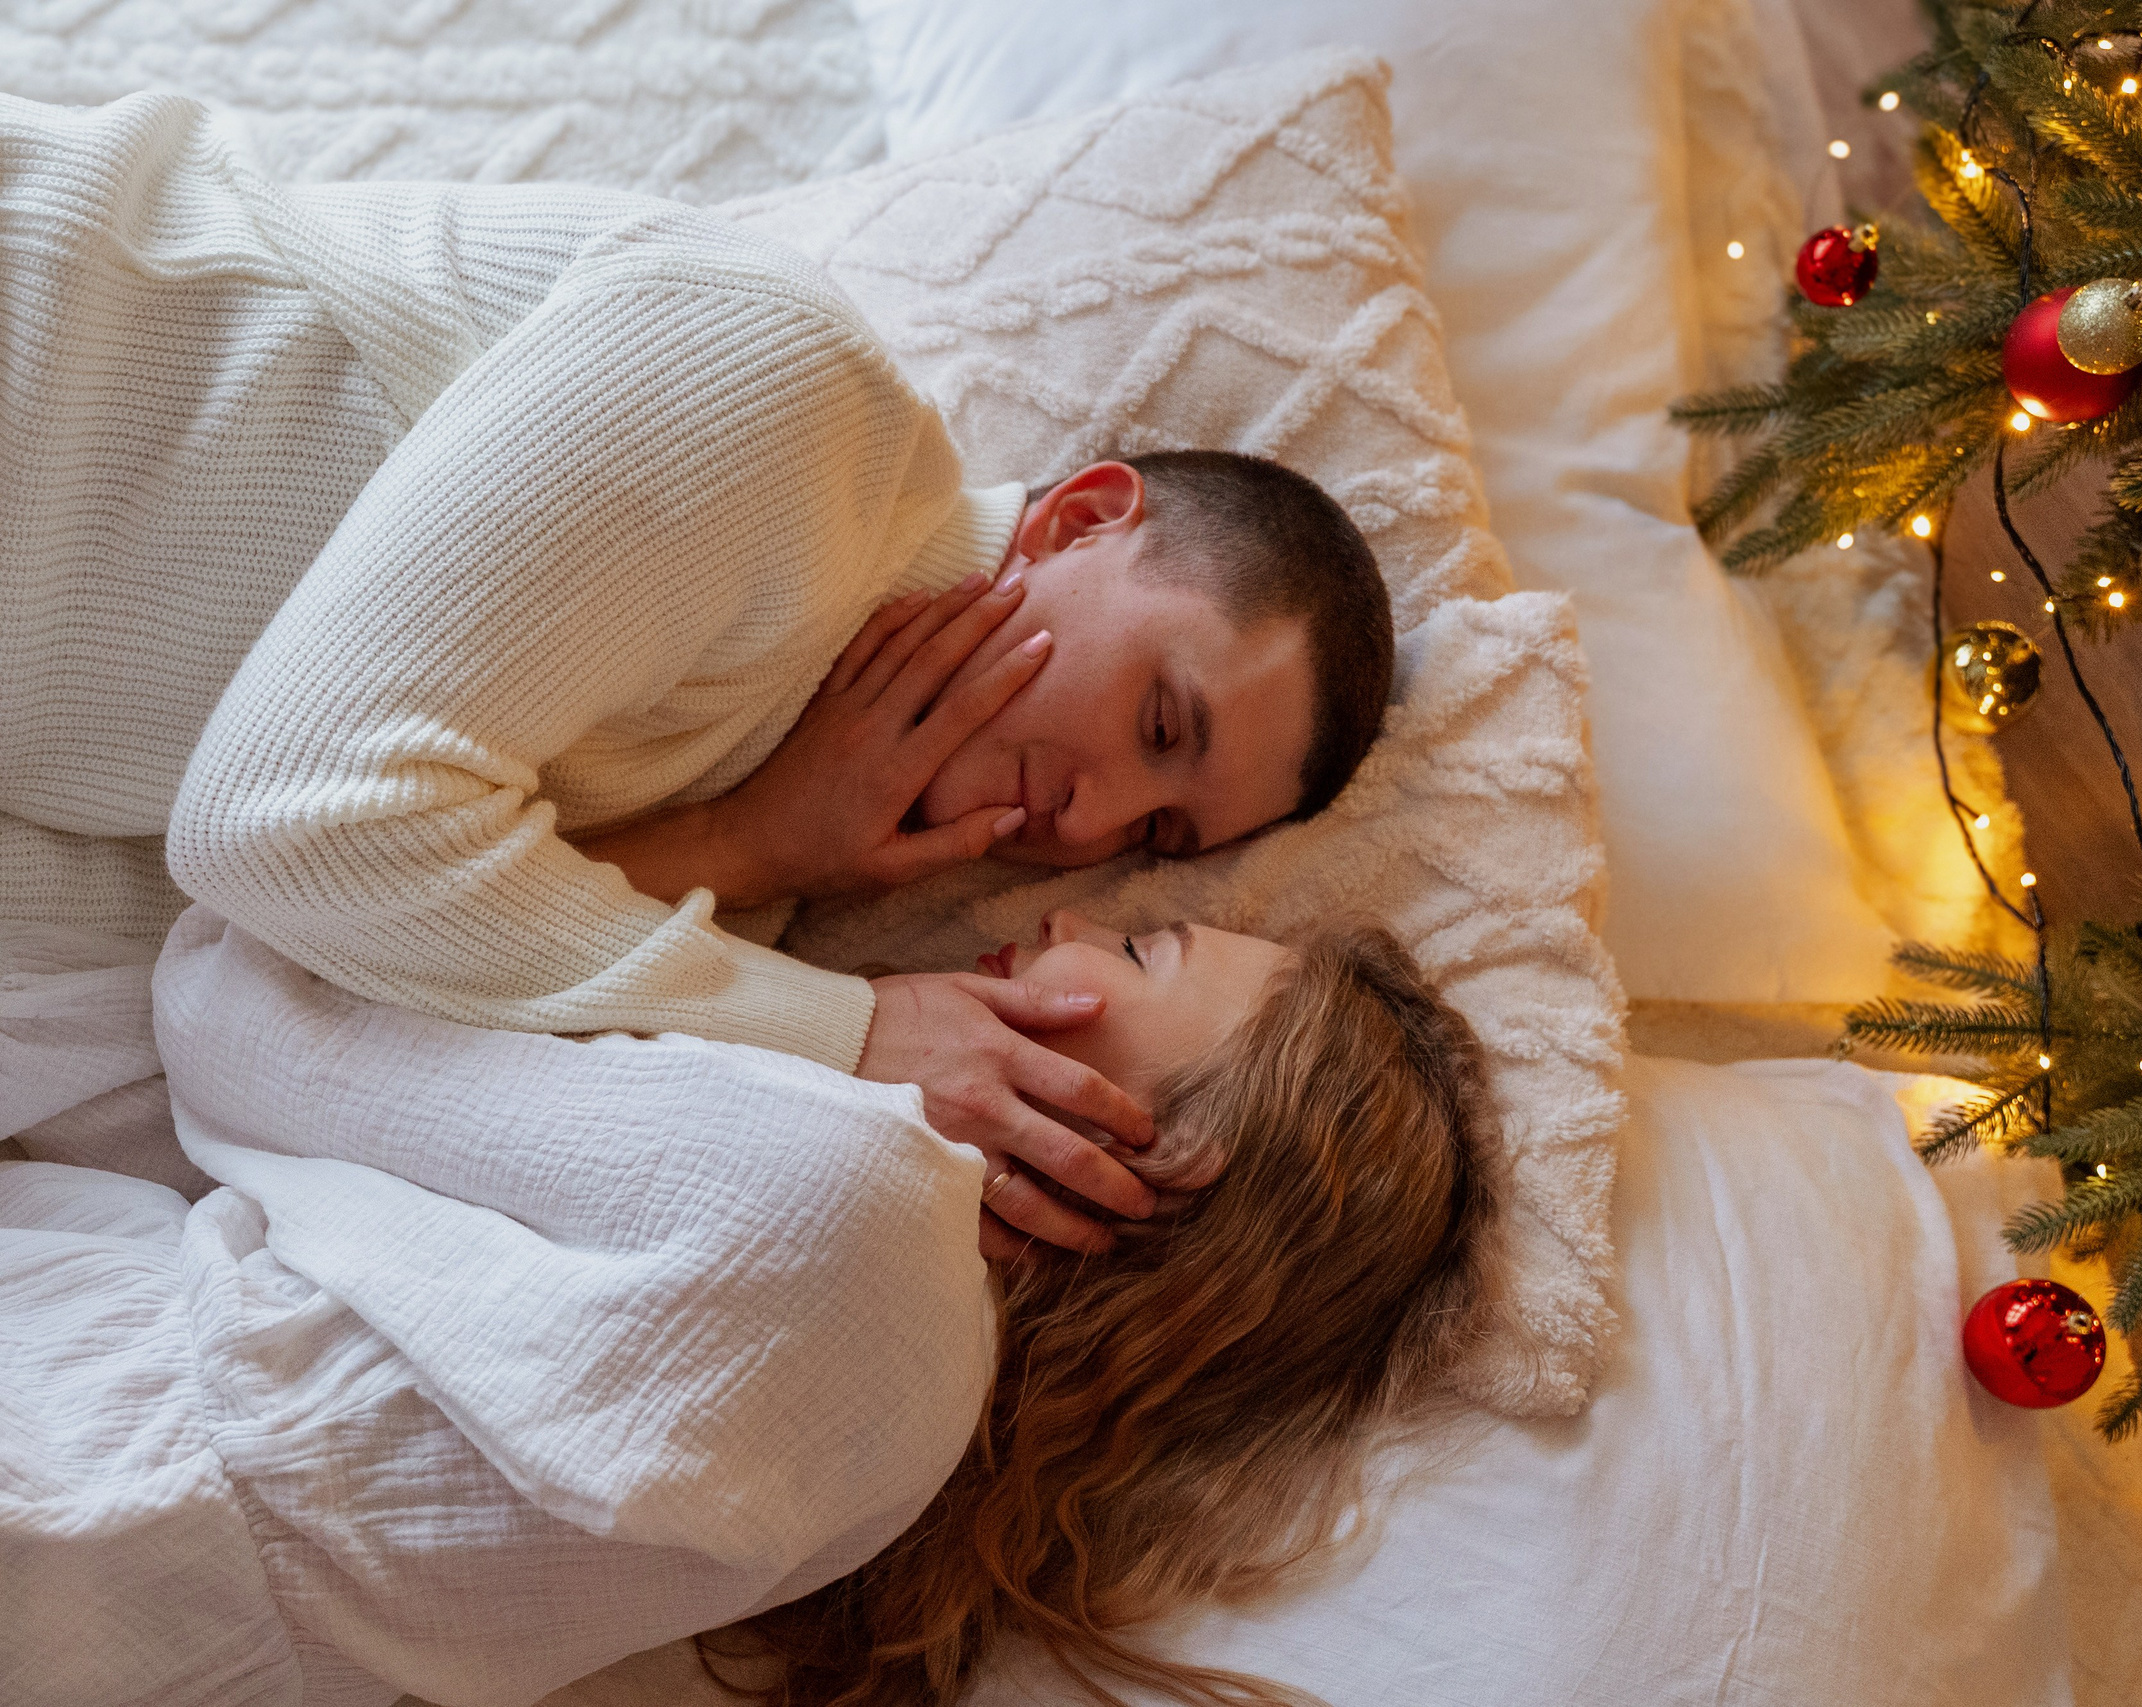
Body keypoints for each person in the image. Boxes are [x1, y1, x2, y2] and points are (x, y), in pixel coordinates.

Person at [0, 91, 1395, 1249]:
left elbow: (256, 977)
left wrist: (755, 844)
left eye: (1157, 834)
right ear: (1079, 523)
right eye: (1159, 720)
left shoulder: (744, 906)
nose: (1087, 828)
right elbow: (281, 827)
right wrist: (844, 1032)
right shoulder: (789, 402)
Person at [0, 904, 1499, 1707]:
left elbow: (232, 990)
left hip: (65, 1457)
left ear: (1148, 1163)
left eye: (1139, 950)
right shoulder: (900, 1460)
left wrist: (760, 845)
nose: (1056, 921)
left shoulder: (842, 1193)